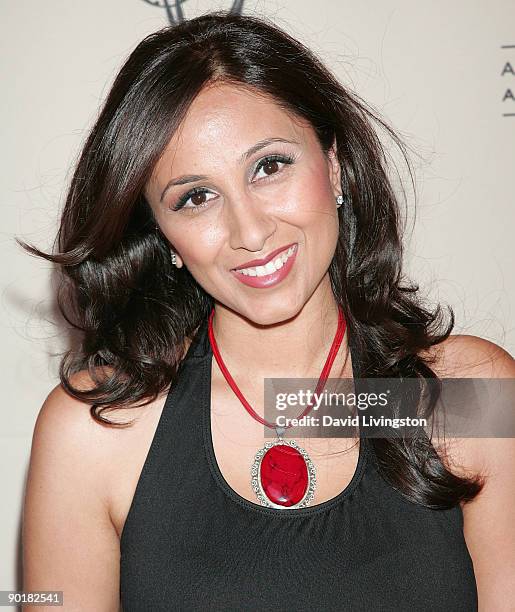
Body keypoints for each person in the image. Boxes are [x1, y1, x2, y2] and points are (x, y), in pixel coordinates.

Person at [20, 11, 514, 612]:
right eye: (196, 198)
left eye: (269, 166)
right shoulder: (96, 432)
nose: (250, 231)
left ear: (333, 164)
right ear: (163, 236)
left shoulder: (469, 397)